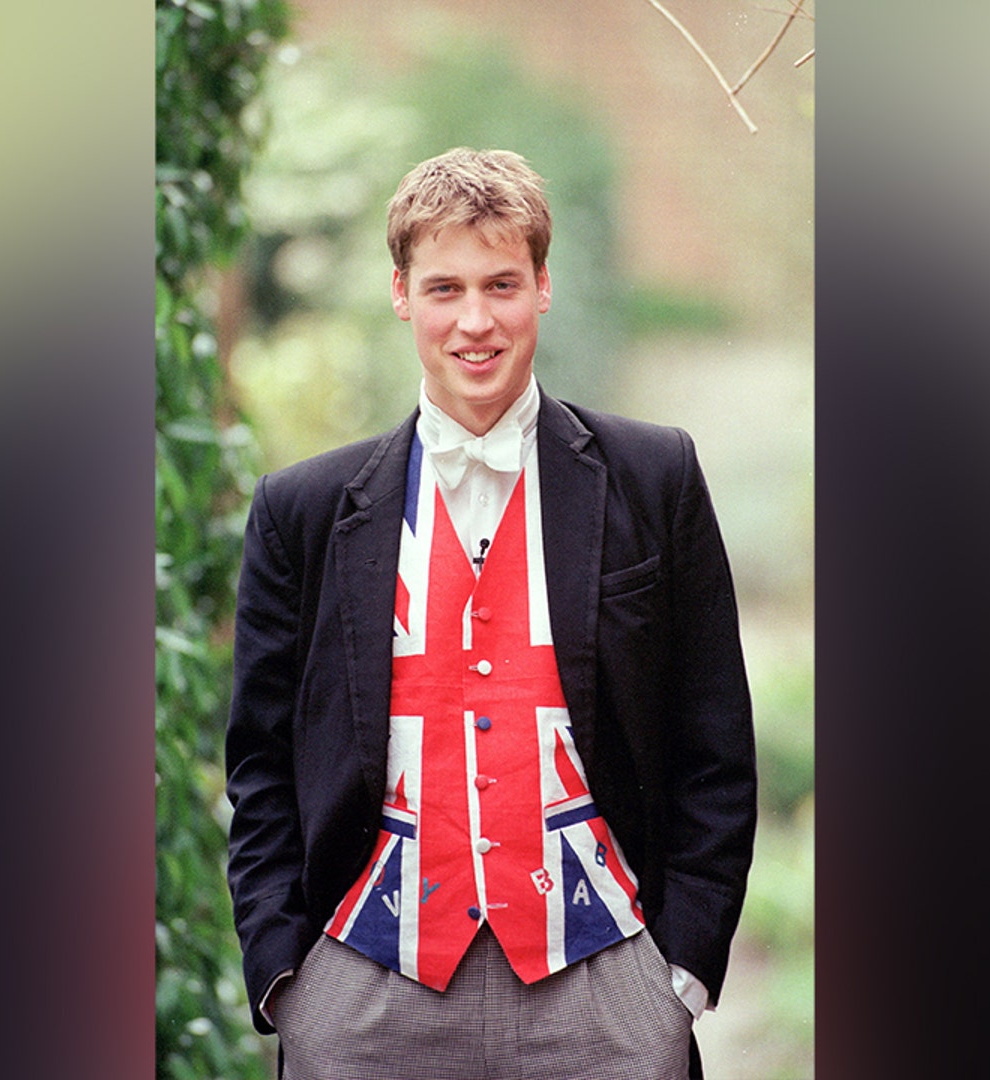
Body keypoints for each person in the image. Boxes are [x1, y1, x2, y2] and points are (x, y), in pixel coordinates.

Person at [225, 147, 757, 1080]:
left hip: (606, 986)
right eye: (445, 288)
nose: (476, 321)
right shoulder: (302, 510)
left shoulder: (654, 475)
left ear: (543, 285)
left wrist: (677, 979)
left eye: (502, 284)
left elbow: (714, 743)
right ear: (400, 294)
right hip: (363, 992)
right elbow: (261, 762)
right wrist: (288, 981)